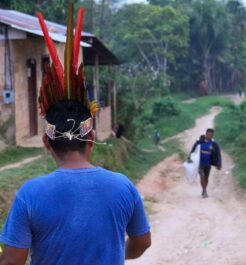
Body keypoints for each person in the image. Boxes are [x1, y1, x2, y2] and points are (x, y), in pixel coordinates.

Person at [0, 6, 151, 265]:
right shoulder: (123, 187)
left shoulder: (30, 194)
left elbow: (12, 261)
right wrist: (115, 250)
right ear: (90, 138)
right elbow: (142, 243)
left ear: (46, 142)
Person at [188, 129, 221, 198]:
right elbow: (193, 149)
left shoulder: (213, 144)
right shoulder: (199, 142)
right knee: (202, 176)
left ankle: (204, 190)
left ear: (212, 135)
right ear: (206, 134)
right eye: (208, 134)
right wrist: (189, 157)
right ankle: (204, 190)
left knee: (206, 178)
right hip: (200, 163)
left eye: (211, 135)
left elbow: (218, 154)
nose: (209, 136)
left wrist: (219, 164)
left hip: (208, 163)